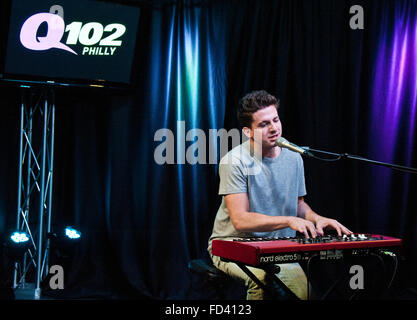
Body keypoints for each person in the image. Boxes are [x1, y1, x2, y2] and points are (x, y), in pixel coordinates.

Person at [208, 90, 352, 300]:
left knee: (308, 296)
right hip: (231, 244)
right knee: (260, 280)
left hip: (277, 247)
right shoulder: (234, 161)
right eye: (264, 124)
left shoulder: (294, 156)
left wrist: (317, 218)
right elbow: (240, 220)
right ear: (248, 132)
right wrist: (289, 220)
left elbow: (299, 205)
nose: (274, 128)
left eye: (275, 119)